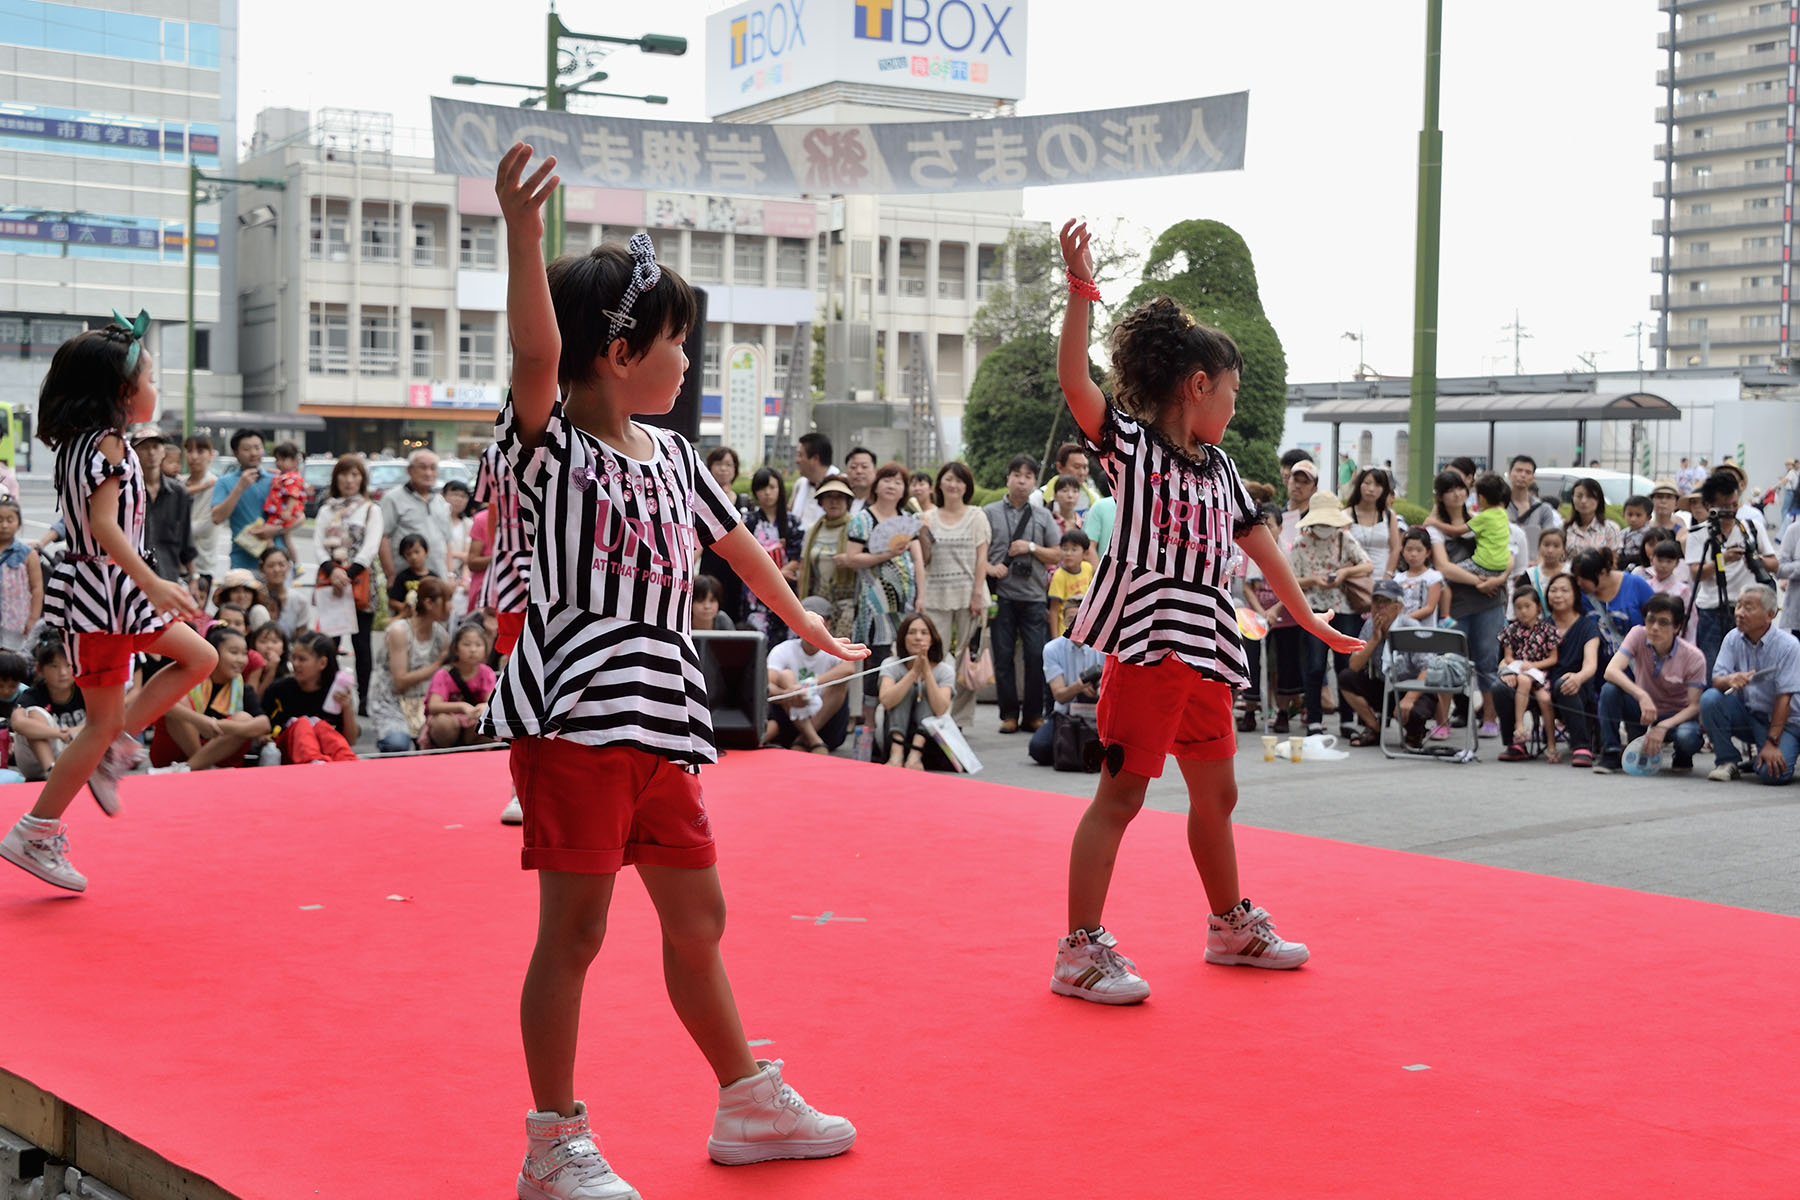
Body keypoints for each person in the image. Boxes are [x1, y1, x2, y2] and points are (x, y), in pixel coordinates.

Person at [485, 147, 861, 1198]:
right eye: (675, 340)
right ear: (614, 350)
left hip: (663, 721)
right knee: (579, 930)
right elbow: (532, 356)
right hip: (575, 718)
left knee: (699, 921)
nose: (688, 358)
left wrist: (811, 630)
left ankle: (745, 1100)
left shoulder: (679, 459)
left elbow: (741, 549)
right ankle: (552, 1144)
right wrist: (524, 235)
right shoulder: (549, 443)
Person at [1049, 219, 1362, 1006]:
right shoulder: (1129, 446)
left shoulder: (1223, 470)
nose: (1234, 403)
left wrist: (1314, 621)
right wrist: (1082, 292)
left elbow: (1265, 554)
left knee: (1216, 796)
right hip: (1149, 643)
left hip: (1208, 647)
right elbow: (1077, 385)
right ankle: (1079, 950)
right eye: (1233, 390)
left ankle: (1229, 925)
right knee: (1120, 795)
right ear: (1199, 385)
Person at [2, 317, 213, 893]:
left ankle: (103, 762)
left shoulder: (78, 444)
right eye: (149, 376)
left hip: (102, 595)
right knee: (109, 719)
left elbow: (95, 525)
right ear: (121, 392)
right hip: (109, 597)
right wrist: (152, 581)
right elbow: (101, 525)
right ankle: (39, 826)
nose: (154, 387)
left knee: (187, 667)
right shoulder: (107, 444)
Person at [472, 440, 531, 825]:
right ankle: (521, 790)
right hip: (515, 582)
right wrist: (495, 581)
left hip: (572, 582)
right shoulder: (494, 454)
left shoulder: (578, 442)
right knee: (520, 681)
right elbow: (492, 514)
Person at [841, 461, 924, 732]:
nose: (892, 485)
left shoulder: (907, 521)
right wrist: (885, 555)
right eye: (887, 480)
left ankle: (900, 722)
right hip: (873, 607)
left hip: (905, 604)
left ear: (904, 490)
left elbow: (918, 563)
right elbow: (852, 559)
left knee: (904, 659)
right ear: (877, 485)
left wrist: (921, 596)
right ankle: (868, 725)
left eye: (898, 482)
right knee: (874, 663)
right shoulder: (863, 519)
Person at [984, 453, 1060, 735]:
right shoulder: (989, 512)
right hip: (1001, 595)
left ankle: (1032, 715)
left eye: (1028, 476)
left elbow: (1057, 553)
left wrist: (1029, 548)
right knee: (1002, 656)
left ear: (1034, 482)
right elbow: (979, 552)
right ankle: (1008, 715)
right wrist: (991, 568)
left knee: (1035, 655)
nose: (1022, 480)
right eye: (1017, 475)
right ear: (1008, 479)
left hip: (1034, 596)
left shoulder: (1043, 516)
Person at [1426, 470, 1505, 740]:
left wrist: (1499, 579)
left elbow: (1507, 555)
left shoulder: (1482, 519)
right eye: (1450, 489)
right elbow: (1443, 567)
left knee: (1488, 659)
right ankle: (1442, 720)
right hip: (1455, 603)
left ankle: (1490, 717)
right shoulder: (1434, 528)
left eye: (1461, 488)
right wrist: (1480, 581)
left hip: (1490, 602)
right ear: (1440, 496)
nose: (1458, 493)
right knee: (1447, 660)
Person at [1288, 490, 1372, 738]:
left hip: (1344, 608)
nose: (1325, 526)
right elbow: (1290, 579)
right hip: (1312, 610)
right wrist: (1314, 580)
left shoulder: (1345, 539)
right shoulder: (1300, 544)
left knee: (1345, 665)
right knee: (1314, 665)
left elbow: (1367, 564)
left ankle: (1348, 720)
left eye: (1328, 521)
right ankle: (1314, 719)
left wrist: (1344, 574)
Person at [1592, 593, 1704, 775]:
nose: (1654, 628)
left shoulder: (1694, 657)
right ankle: (1610, 753)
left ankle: (1683, 755)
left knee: (1687, 737)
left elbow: (1694, 706)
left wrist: (1663, 726)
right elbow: (1611, 671)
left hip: (1676, 717)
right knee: (1610, 690)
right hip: (1643, 710)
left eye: (1663, 622)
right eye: (1650, 620)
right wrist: (1641, 695)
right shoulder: (1637, 634)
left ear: (1677, 627)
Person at [1699, 583, 1800, 784]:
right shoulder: (1732, 638)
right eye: (1738, 606)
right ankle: (1728, 761)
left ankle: (1769, 750)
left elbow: (1785, 698)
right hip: (1750, 716)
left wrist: (1772, 743)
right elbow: (1717, 680)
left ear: (1769, 615)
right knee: (1710, 698)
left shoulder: (1788, 645)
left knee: (1774, 775)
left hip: (1786, 721)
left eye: (1748, 607)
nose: (1740, 613)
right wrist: (1730, 679)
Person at [1686, 469, 1777, 679]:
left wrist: (1754, 559)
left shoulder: (1752, 528)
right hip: (1712, 610)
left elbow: (1774, 563)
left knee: (1748, 668)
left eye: (1734, 504)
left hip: (1747, 609)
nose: (1730, 510)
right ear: (1709, 505)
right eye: (1724, 506)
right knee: (1712, 671)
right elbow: (1696, 574)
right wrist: (1724, 558)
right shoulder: (1699, 534)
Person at [917, 461, 988, 729]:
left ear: (966, 486)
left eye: (959, 480)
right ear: (940, 484)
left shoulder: (976, 515)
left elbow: (982, 556)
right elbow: (925, 559)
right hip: (936, 594)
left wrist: (978, 594)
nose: (953, 484)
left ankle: (958, 720)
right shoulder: (929, 517)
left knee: (967, 660)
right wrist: (922, 534)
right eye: (948, 479)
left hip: (971, 594)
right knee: (933, 655)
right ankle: (935, 712)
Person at [148, 624, 272, 771]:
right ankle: (201, 767)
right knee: (178, 702)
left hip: (217, 759)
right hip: (175, 755)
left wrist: (217, 726)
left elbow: (264, 724)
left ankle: (192, 767)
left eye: (244, 653)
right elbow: (157, 701)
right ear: (214, 653)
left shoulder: (243, 689)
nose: (241, 660)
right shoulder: (189, 678)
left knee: (244, 719)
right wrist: (200, 721)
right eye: (234, 652)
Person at [313, 455, 384, 710]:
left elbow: (371, 546)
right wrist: (333, 571)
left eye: (355, 475)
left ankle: (363, 698)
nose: (349, 480)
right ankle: (326, 694)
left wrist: (349, 573)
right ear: (336, 478)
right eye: (344, 474)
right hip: (331, 582)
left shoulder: (371, 509)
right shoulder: (326, 509)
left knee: (361, 643)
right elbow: (318, 545)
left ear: (362, 479)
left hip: (360, 582)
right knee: (329, 643)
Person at [1336, 579, 1436, 749]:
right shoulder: (1370, 625)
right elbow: (1354, 665)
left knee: (1413, 711)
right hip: (1386, 686)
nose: (1380, 606)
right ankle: (1374, 728)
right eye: (1376, 601)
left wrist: (1409, 699)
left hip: (1413, 689)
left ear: (1398, 607)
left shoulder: (1410, 626)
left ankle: (1415, 732)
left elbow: (1427, 668)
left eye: (1386, 602)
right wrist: (1375, 639)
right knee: (1346, 677)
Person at [366, 573, 451, 753]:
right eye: (446, 600)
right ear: (429, 603)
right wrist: (438, 664)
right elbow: (400, 681)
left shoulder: (440, 634)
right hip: (392, 702)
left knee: (448, 732)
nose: (451, 606)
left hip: (422, 703)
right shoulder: (399, 631)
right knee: (398, 744)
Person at [764, 597, 858, 752]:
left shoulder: (834, 648)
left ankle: (804, 739)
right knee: (786, 676)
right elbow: (767, 684)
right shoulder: (783, 649)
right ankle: (813, 740)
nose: (810, 628)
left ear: (828, 624)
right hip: (791, 718)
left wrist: (809, 685)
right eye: (805, 622)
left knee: (841, 681)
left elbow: (849, 669)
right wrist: (787, 693)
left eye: (818, 622)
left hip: (827, 722)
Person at [1028, 595, 1108, 765]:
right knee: (1039, 748)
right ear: (1063, 621)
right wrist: (1079, 686)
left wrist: (1098, 689)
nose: (1076, 624)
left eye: (1081, 619)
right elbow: (1059, 695)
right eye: (1071, 619)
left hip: (1098, 712)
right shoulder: (1052, 649)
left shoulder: (1103, 646)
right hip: (1065, 713)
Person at [262, 630, 359, 764]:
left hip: (326, 756)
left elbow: (350, 741)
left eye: (302, 659)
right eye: (293, 658)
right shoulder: (279, 689)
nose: (295, 664)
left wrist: (347, 708)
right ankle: (314, 763)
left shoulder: (335, 694)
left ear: (322, 663)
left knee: (322, 727)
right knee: (302, 724)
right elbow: (262, 726)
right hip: (286, 753)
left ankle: (350, 765)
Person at [876, 611, 953, 769]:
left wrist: (926, 672)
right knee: (906, 688)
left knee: (927, 690)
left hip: (929, 743)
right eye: (912, 632)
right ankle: (896, 754)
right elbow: (887, 701)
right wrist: (913, 673)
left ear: (932, 639)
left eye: (924, 633)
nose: (918, 637)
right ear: (903, 638)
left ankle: (915, 755)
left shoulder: (945, 670)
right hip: (893, 734)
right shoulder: (890, 664)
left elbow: (940, 709)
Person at [1495, 584, 1563, 762]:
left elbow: (1553, 658)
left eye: (1527, 606)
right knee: (1524, 680)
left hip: (1540, 675)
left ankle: (1551, 744)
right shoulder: (1511, 630)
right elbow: (1508, 657)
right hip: (1520, 674)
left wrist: (1533, 664)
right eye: (1518, 608)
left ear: (1538, 607)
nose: (1523, 611)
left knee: (1545, 700)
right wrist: (1519, 665)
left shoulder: (1548, 630)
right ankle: (1519, 727)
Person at [739, 466, 804, 645]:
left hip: (786, 589)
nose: (767, 493)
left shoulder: (793, 522)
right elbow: (743, 556)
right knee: (758, 639)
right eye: (762, 488)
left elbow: (797, 558)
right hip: (756, 590)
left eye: (772, 487)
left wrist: (779, 574)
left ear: (780, 489)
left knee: (788, 637)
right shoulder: (748, 521)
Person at [9, 639, 87, 782]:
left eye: (68, 665)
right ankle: (52, 771)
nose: (63, 672)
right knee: (34, 714)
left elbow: (107, 719)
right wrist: (60, 734)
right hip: (37, 763)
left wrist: (76, 730)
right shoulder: (33, 694)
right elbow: (17, 723)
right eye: (54, 666)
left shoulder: (85, 690)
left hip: (77, 753)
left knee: (101, 714)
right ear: (40, 669)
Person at [134, 425, 198, 591]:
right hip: (133, 581)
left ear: (163, 452)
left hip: (168, 579)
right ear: (133, 453)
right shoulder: (126, 491)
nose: (151, 452)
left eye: (156, 447)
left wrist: (194, 578)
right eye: (144, 447)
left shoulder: (178, 492)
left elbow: (186, 540)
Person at [796, 477, 860, 636]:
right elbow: (803, 568)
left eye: (839, 497)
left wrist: (851, 560)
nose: (834, 502)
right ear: (821, 501)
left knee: (843, 649)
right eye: (829, 496)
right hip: (817, 603)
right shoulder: (813, 530)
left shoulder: (857, 528)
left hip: (848, 604)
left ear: (847, 501)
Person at [379, 449, 451, 583]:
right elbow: (382, 537)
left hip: (439, 578)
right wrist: (391, 575)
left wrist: (450, 575)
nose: (428, 473)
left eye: (433, 468)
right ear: (410, 470)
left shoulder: (440, 501)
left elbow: (447, 541)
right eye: (423, 467)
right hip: (406, 580)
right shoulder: (392, 498)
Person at [424, 620, 497, 749]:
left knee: (489, 720)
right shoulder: (444, 674)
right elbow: (433, 706)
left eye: (478, 645)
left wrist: (483, 707)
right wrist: (462, 706)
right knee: (442, 723)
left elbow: (492, 702)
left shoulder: (487, 673)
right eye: (467, 644)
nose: (473, 650)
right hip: (449, 724)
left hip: (473, 724)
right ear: (456, 649)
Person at [1571, 548, 1654, 661]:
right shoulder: (1581, 594)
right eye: (1576, 578)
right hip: (1599, 669)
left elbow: (1656, 619)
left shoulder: (1636, 584)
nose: (1578, 583)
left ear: (1602, 573)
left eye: (1583, 579)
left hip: (1637, 665)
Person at [209, 428, 272, 572]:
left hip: (276, 562)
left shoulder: (275, 480)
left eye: (257, 447)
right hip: (242, 562)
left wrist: (276, 530)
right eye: (247, 449)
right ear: (236, 453)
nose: (254, 453)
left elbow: (298, 517)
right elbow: (217, 517)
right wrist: (240, 487)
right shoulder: (225, 482)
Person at [699, 446, 747, 623]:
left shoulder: (743, 501)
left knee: (734, 609)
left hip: (736, 566)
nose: (724, 469)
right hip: (711, 562)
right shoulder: (701, 498)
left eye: (729, 464)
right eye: (719, 464)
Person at [237, 441, 306, 559]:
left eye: (283, 460)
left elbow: (293, 495)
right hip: (280, 512)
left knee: (270, 536)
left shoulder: (292, 478)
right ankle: (289, 561)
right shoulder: (286, 475)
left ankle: (278, 558)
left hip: (282, 513)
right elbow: (279, 476)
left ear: (294, 461)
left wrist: (288, 511)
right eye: (277, 460)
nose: (279, 463)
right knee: (286, 539)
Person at [0, 497, 43, 654]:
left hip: (16, 620)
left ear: (18, 523)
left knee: (11, 659)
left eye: (9, 520)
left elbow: (37, 588)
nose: (4, 525)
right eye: (0, 520)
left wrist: (33, 619)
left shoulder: (28, 554)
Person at [1347, 466, 1400, 582]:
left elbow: (1395, 548)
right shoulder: (1347, 515)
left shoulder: (1389, 515)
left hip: (1382, 581)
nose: (1371, 489)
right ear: (1359, 484)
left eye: (1377, 485)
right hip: (1354, 581)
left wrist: (1388, 574)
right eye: (1367, 483)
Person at [1505, 455, 1562, 563]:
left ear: (1533, 478)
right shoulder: (1499, 506)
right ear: (1509, 473)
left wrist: (1538, 563)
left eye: (1528, 472)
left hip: (1533, 567)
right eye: (1518, 470)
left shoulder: (1543, 509)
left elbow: (1548, 539)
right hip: (1503, 566)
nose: (1522, 475)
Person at [183, 434, 220, 587]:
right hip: (177, 564)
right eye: (189, 451)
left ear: (210, 454)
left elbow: (205, 525)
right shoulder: (180, 482)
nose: (194, 456)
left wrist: (174, 532)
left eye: (200, 451)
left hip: (203, 564)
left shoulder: (215, 484)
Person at [1466, 472, 1515, 579]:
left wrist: (1436, 523)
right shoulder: (1502, 514)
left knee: (1450, 573)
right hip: (1501, 568)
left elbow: (1458, 530)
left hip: (1482, 564)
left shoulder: (1484, 517)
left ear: (1481, 498)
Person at [257, 545, 312, 638]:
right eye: (271, 566)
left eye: (281, 565)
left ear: (289, 567)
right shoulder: (256, 596)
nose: (277, 570)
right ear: (262, 568)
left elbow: (301, 637)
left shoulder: (300, 601)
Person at [1392, 527, 1442, 628]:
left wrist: (1404, 619)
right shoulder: (1398, 578)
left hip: (1425, 631)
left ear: (1427, 552)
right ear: (1403, 551)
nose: (1413, 554)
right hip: (1400, 631)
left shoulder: (1433, 577)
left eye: (1419, 550)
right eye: (1409, 549)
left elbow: (1429, 608)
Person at [1047, 529, 1094, 637]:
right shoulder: (1059, 576)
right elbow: (1054, 610)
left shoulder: (1087, 568)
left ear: (1085, 553)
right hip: (1065, 630)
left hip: (1083, 629)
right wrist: (1055, 638)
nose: (1068, 553)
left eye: (1074, 549)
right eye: (1065, 549)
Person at [789, 431, 840, 528]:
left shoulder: (840, 486)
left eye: (800, 455)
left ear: (815, 459)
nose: (797, 460)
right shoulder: (799, 484)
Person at [1036, 441, 1101, 512]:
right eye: (1077, 467)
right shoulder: (1039, 498)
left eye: (1085, 467)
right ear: (1060, 467)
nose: (1082, 473)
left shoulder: (1094, 499)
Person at [1563, 477, 1620, 557]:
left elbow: (1613, 561)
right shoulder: (1564, 527)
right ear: (1572, 498)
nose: (1583, 501)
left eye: (1589, 496)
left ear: (1599, 500)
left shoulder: (1610, 528)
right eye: (1579, 496)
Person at [442, 478, 474, 621]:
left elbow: (468, 556)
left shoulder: (468, 524)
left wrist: (466, 579)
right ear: (444, 496)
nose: (458, 500)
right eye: (454, 494)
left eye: (463, 496)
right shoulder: (439, 521)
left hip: (459, 576)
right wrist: (458, 555)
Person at [386, 532, 437, 617]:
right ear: (404, 557)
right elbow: (392, 601)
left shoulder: (434, 578)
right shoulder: (402, 577)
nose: (413, 557)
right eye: (408, 554)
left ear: (426, 551)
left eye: (417, 552)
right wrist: (405, 608)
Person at [1522, 526, 1569, 609]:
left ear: (1563, 549)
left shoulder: (1570, 572)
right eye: (1546, 545)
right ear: (1539, 547)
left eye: (1556, 546)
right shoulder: (1530, 575)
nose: (1550, 550)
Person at [247, 620, 289, 701]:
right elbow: (254, 701)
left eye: (274, 641)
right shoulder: (248, 668)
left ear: (283, 648)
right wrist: (270, 672)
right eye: (263, 642)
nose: (269, 646)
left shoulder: (289, 671)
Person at [1647, 478, 1690, 545]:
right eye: (1659, 497)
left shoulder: (1681, 531)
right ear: (1652, 501)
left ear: (1676, 503)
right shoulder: (1644, 528)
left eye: (1669, 497)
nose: (1663, 501)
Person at [1617, 495, 1653, 573]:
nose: (1633, 519)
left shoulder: (1651, 535)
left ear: (1648, 518)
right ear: (1624, 515)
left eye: (1638, 515)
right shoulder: (1622, 534)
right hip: (1624, 568)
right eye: (1630, 514)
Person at [841, 446, 877, 512]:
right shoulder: (839, 501)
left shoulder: (880, 503)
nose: (859, 471)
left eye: (864, 467)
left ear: (875, 471)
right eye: (853, 467)